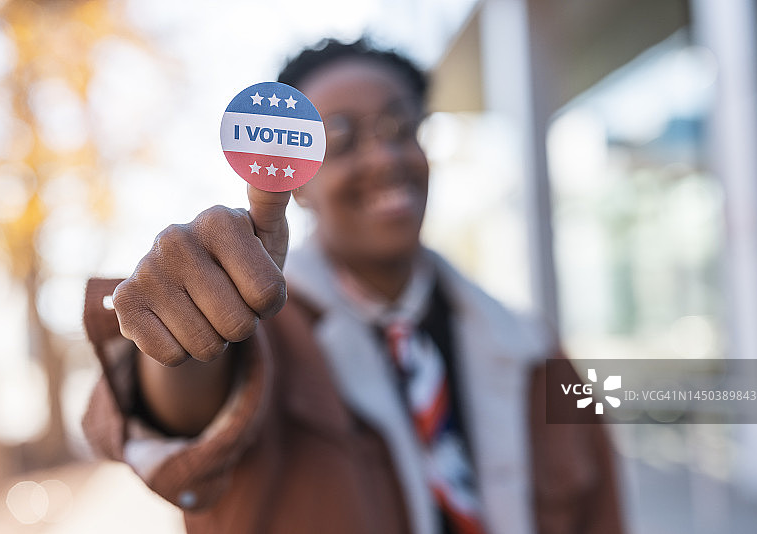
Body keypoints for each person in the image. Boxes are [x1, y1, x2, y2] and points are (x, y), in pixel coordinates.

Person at [82, 38, 625, 534]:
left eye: (400, 129)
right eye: (339, 140)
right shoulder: (263, 339)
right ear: (299, 183)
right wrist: (186, 334)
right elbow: (184, 423)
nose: (384, 158)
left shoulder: (534, 350)